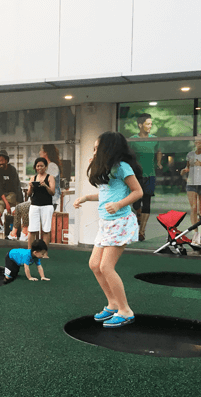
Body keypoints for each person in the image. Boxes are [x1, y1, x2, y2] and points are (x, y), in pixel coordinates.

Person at [74, 131, 143, 328]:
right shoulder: (107, 169)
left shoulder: (122, 167)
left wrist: (120, 205)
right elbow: (106, 194)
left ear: (108, 149)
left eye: (97, 148)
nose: (94, 151)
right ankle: (112, 303)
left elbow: (138, 192)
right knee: (95, 264)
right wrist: (87, 198)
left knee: (106, 267)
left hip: (120, 222)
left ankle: (125, 310)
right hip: (106, 223)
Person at [128, 113, 162, 241]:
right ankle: (138, 214)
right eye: (148, 124)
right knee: (136, 203)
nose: (150, 126)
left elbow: (159, 151)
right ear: (140, 125)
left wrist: (158, 162)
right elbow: (128, 155)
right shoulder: (133, 139)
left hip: (150, 174)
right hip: (136, 175)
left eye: (151, 124)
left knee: (147, 201)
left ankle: (142, 231)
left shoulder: (155, 139)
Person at [0, 150, 23, 237]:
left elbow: (17, 187)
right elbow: (0, 188)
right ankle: (1, 225)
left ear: (6, 160)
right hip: (4, 194)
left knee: (0, 203)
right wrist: (6, 203)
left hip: (13, 194)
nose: (0, 162)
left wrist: (19, 203)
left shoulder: (12, 170)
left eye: (2, 160)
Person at [26, 157, 56, 249]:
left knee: (46, 230)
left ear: (45, 167)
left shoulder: (50, 177)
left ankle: (44, 252)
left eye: (41, 166)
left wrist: (45, 186)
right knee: (32, 230)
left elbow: (52, 192)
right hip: (34, 205)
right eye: (38, 166)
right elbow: (28, 194)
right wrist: (31, 187)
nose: (39, 168)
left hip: (47, 206)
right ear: (35, 167)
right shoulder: (33, 178)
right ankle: (29, 251)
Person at [40, 144, 62, 209]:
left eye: (41, 150)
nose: (39, 152)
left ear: (45, 153)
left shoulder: (52, 166)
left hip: (50, 200)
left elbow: (47, 181)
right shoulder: (47, 166)